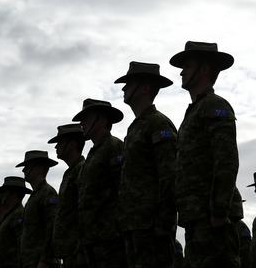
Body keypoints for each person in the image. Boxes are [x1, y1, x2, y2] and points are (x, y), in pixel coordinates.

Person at [169, 41, 240, 267]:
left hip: (211, 220)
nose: (182, 71)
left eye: (188, 66)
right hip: (195, 219)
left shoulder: (215, 106)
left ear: (205, 69)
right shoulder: (195, 111)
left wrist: (219, 211)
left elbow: (226, 160)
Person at [114, 61, 177, 268]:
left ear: (145, 88)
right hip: (134, 227)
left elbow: (169, 176)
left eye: (129, 83)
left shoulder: (158, 124)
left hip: (152, 229)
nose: (124, 88)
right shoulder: (135, 129)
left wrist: (164, 225)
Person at [72, 98, 126, 267]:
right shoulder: (93, 153)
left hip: (111, 238)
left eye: (86, 119)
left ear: (101, 120)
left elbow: (123, 188)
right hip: (92, 238)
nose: (82, 124)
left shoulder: (114, 147)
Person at [49, 123, 88, 268]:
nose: (56, 147)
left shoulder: (82, 170)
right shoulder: (70, 173)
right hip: (70, 250)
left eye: (60, 142)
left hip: (79, 249)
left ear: (72, 144)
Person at [16, 150, 59, 268]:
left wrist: (45, 260)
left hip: (42, 263)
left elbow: (52, 228)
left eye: (27, 166)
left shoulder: (47, 193)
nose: (24, 170)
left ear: (39, 168)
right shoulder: (34, 197)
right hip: (31, 262)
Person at [0, 176, 32, 268]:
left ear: (12, 193)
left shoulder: (19, 214)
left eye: (5, 192)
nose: (2, 196)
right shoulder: (10, 216)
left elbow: (22, 246)